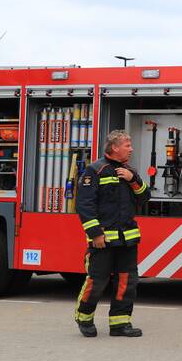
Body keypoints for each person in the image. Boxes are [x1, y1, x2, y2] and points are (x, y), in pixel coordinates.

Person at [74, 130, 151, 337]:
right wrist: (95, 233)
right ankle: (84, 317)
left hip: (127, 240)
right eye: (127, 145)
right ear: (114, 147)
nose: (131, 148)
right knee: (97, 281)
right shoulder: (95, 170)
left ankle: (120, 324)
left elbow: (145, 197)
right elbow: (84, 205)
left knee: (127, 282)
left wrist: (133, 178)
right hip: (103, 240)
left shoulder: (129, 171)